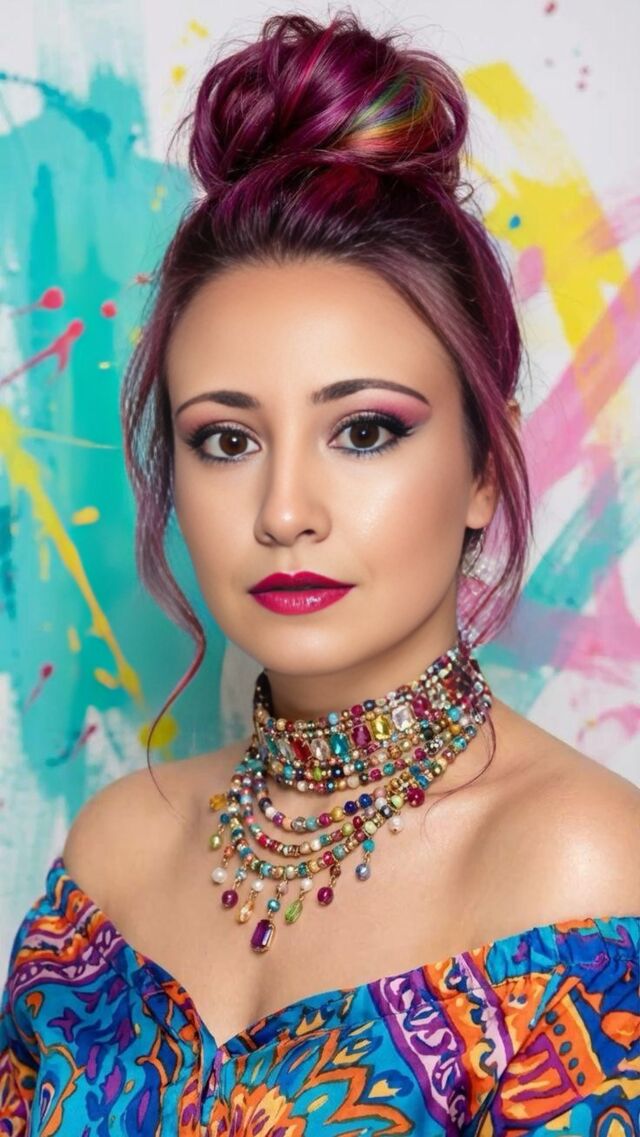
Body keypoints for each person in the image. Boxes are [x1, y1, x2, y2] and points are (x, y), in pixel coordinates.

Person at [1, 10, 639, 1135]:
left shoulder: (583, 872)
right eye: (225, 439)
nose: (284, 511)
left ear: (483, 464)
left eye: (364, 431)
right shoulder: (109, 861)